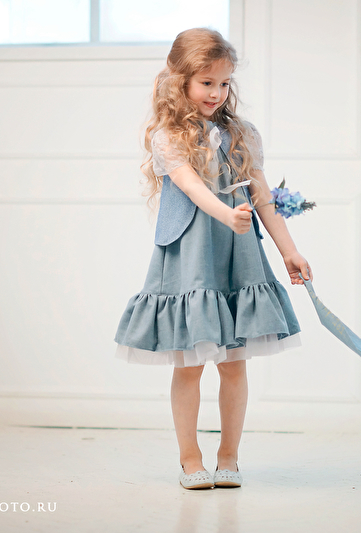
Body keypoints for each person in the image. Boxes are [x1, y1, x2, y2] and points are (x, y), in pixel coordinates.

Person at [114, 28, 311, 490]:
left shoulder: (242, 134)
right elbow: (190, 186)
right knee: (189, 364)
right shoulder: (169, 136)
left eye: (224, 83)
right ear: (179, 80)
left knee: (234, 363)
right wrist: (227, 214)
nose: (216, 93)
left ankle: (229, 457)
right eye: (207, 82)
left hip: (237, 255)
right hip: (191, 256)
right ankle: (190, 459)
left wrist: (289, 250)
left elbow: (263, 198)